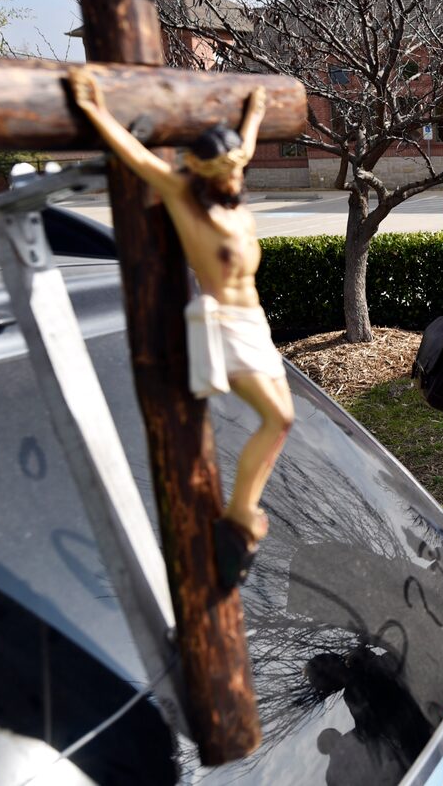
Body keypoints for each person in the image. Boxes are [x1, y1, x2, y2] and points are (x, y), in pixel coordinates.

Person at [68, 68, 294, 589]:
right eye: (228, 169)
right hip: (225, 324)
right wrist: (94, 110)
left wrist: (253, 116)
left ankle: (241, 517)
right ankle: (239, 517)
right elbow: (140, 158)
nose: (238, 176)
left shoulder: (234, 198)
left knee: (282, 423)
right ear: (208, 172)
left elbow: (245, 148)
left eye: (240, 166)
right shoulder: (187, 196)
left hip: (254, 322)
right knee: (277, 418)